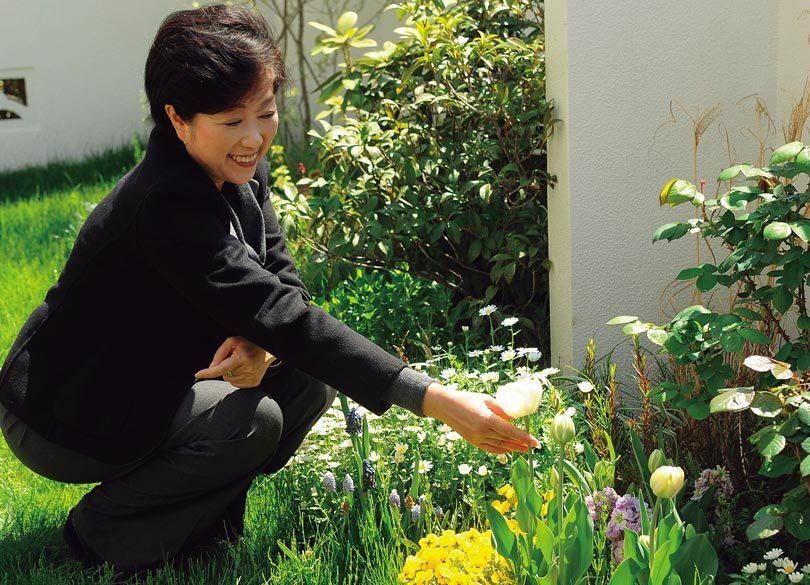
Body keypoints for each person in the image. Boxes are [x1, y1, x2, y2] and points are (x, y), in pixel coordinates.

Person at [0, 3, 539, 577]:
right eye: (231, 121)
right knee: (252, 422)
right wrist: (436, 401)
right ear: (178, 119)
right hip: (70, 409)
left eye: (265, 113)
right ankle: (102, 531)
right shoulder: (164, 204)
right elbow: (279, 310)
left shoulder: (235, 167)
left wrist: (264, 343)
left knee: (307, 382)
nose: (254, 139)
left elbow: (282, 287)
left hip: (156, 371)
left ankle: (199, 521)